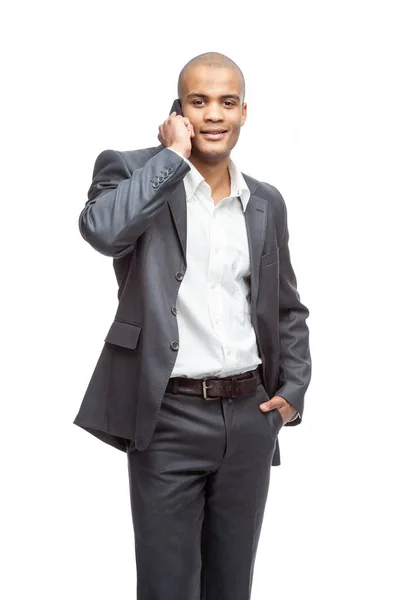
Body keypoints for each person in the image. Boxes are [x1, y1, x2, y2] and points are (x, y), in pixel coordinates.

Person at [73, 51, 312, 600]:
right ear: (177, 110)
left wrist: (292, 391)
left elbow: (286, 308)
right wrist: (172, 156)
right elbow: (103, 232)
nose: (213, 115)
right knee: (167, 588)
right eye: (198, 102)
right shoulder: (135, 172)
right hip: (167, 420)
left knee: (232, 588)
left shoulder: (265, 202)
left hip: (250, 416)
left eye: (227, 102)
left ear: (244, 113)